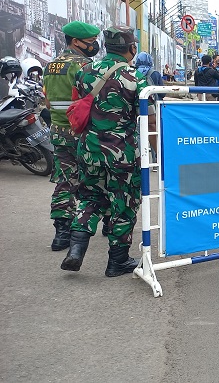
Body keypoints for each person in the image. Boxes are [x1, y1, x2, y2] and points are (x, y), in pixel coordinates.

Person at [61, 26, 153, 277]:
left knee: (90, 198)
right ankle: (118, 262)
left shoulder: (84, 72)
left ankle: (76, 251)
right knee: (123, 204)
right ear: (131, 48)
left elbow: (77, 105)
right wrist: (158, 153)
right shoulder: (136, 78)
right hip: (121, 153)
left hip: (88, 149)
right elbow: (151, 121)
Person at [42, 21, 110, 252]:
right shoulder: (84, 65)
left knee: (65, 179)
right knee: (100, 177)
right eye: (90, 43)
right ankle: (110, 224)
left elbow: (48, 102)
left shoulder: (50, 65)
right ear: (75, 41)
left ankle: (61, 233)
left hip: (59, 132)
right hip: (82, 132)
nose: (94, 46)